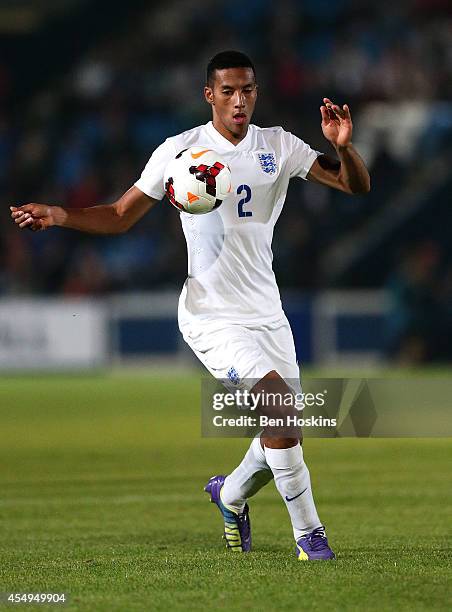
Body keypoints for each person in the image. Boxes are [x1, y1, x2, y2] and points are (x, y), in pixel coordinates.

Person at [10, 50, 370, 561]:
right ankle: (310, 537)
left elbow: (355, 185)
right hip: (210, 314)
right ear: (209, 95)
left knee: (282, 434)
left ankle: (228, 495)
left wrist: (345, 147)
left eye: (247, 90)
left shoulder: (279, 146)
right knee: (280, 408)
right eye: (228, 91)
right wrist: (59, 215)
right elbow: (118, 214)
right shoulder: (179, 151)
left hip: (267, 312)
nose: (239, 100)